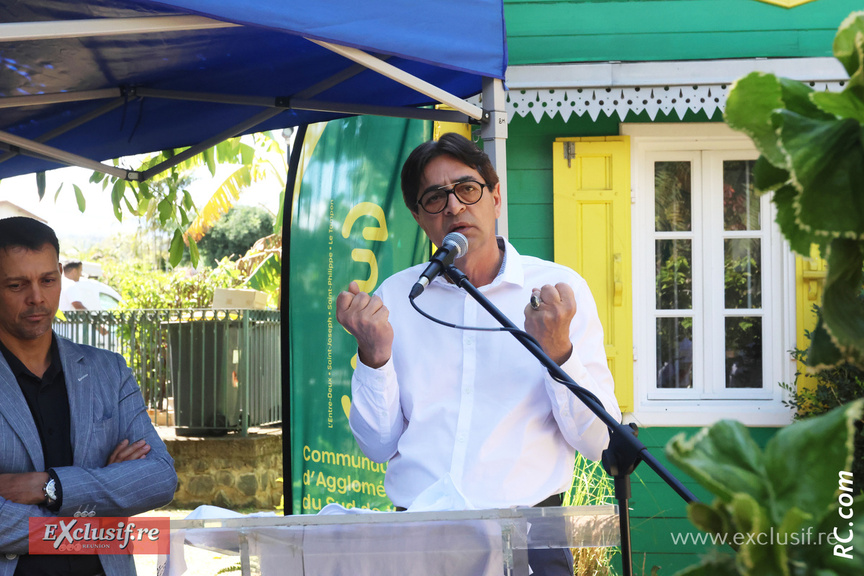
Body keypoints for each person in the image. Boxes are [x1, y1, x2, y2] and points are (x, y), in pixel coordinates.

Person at [336, 133, 621, 574]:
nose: (453, 207)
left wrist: (559, 350)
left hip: (529, 541)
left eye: (467, 189)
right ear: (418, 217)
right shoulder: (397, 296)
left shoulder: (559, 293)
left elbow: (598, 440)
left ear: (496, 197)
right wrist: (374, 355)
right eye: (434, 198)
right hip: (418, 542)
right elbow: (377, 446)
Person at [0, 217, 177, 576]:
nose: (37, 297)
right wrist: (102, 495)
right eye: (17, 285)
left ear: (61, 275)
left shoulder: (108, 371)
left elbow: (159, 477)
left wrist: (49, 486)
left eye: (48, 280)